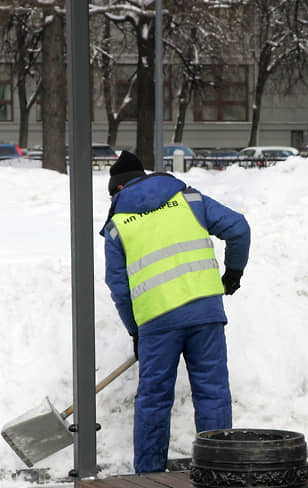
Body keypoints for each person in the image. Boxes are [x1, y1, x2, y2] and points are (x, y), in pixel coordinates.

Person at [100, 150, 250, 473]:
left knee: (154, 401)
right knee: (212, 393)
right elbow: (239, 228)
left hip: (157, 322)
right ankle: (219, 471)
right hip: (206, 313)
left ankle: (149, 476)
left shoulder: (117, 227)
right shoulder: (189, 200)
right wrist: (232, 274)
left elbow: (120, 288)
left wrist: (135, 330)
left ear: (119, 190)